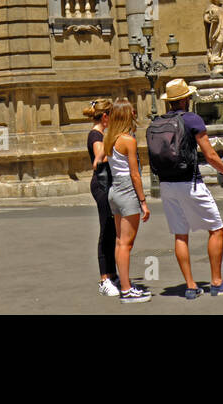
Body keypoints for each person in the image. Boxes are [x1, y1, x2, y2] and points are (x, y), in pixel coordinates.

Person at [155, 79, 223, 299]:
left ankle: (191, 285)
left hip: (167, 184)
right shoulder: (192, 119)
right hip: (190, 183)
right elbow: (210, 155)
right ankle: (216, 282)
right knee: (216, 228)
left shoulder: (158, 122)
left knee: (180, 235)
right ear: (185, 99)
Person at [96, 98, 151, 303]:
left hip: (114, 191)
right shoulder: (128, 140)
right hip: (127, 190)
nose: (135, 114)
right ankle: (127, 289)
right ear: (127, 115)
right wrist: (143, 201)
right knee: (126, 244)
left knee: (120, 242)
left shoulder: (109, 137)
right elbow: (135, 175)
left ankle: (125, 285)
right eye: (132, 112)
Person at [82, 98, 119, 297]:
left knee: (113, 230)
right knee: (106, 229)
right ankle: (104, 278)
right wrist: (112, 140)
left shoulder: (101, 134)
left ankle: (112, 274)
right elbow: (100, 159)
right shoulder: (96, 135)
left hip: (108, 184)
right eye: (112, 116)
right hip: (102, 185)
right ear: (105, 117)